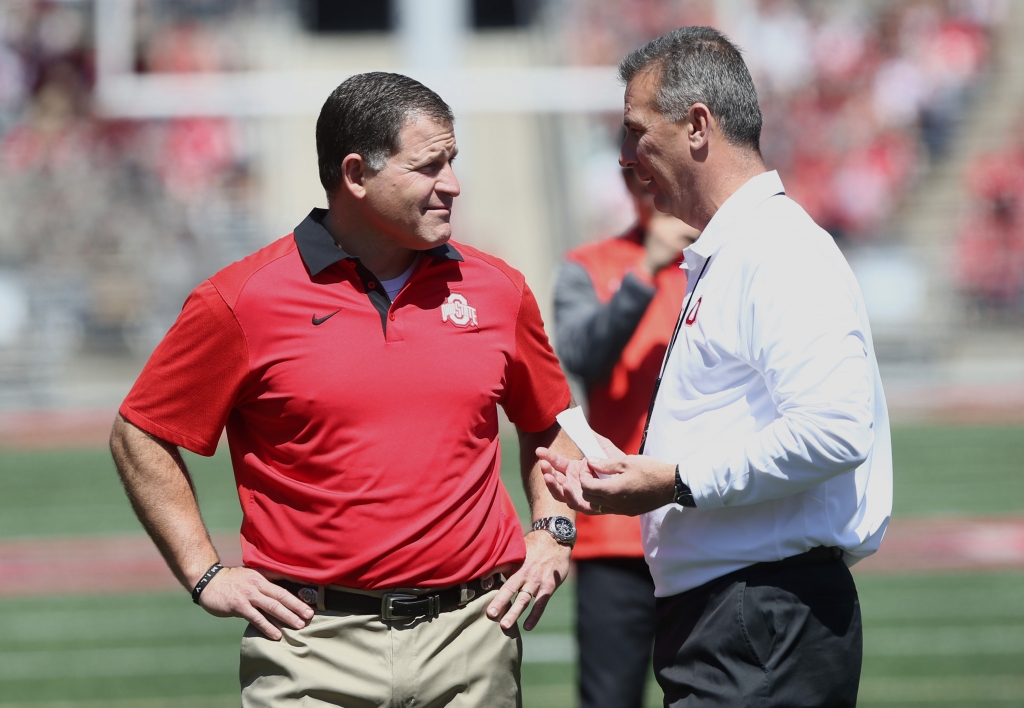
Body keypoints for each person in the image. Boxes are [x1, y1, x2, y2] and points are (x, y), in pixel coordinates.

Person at [109, 72, 583, 708]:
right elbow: (140, 432)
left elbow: (550, 422)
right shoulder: (243, 299)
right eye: (429, 165)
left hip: (475, 636)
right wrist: (205, 573)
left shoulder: (499, 289)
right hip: (309, 646)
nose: (453, 183)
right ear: (356, 175)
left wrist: (553, 531)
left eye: (454, 161)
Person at [539, 27, 892, 708]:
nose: (625, 158)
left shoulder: (776, 249)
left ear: (697, 127)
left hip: (760, 616)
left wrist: (671, 480)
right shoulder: (736, 249)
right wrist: (635, 465)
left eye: (638, 131)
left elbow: (834, 432)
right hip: (738, 615)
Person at [553, 164, 696, 708]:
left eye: (655, 172)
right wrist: (647, 270)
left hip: (703, 521)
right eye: (634, 175)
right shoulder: (588, 266)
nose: (648, 188)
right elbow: (584, 356)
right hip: (616, 534)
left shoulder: (721, 264)